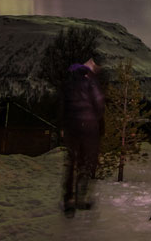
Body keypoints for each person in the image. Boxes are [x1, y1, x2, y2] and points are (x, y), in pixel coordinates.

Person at [61, 58, 105, 218]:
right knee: (85, 162)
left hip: (72, 128)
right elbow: (99, 103)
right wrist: (97, 121)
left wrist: (64, 126)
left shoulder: (68, 82)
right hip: (88, 128)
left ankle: (69, 200)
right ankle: (81, 198)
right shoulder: (91, 82)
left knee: (71, 163)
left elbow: (63, 105)